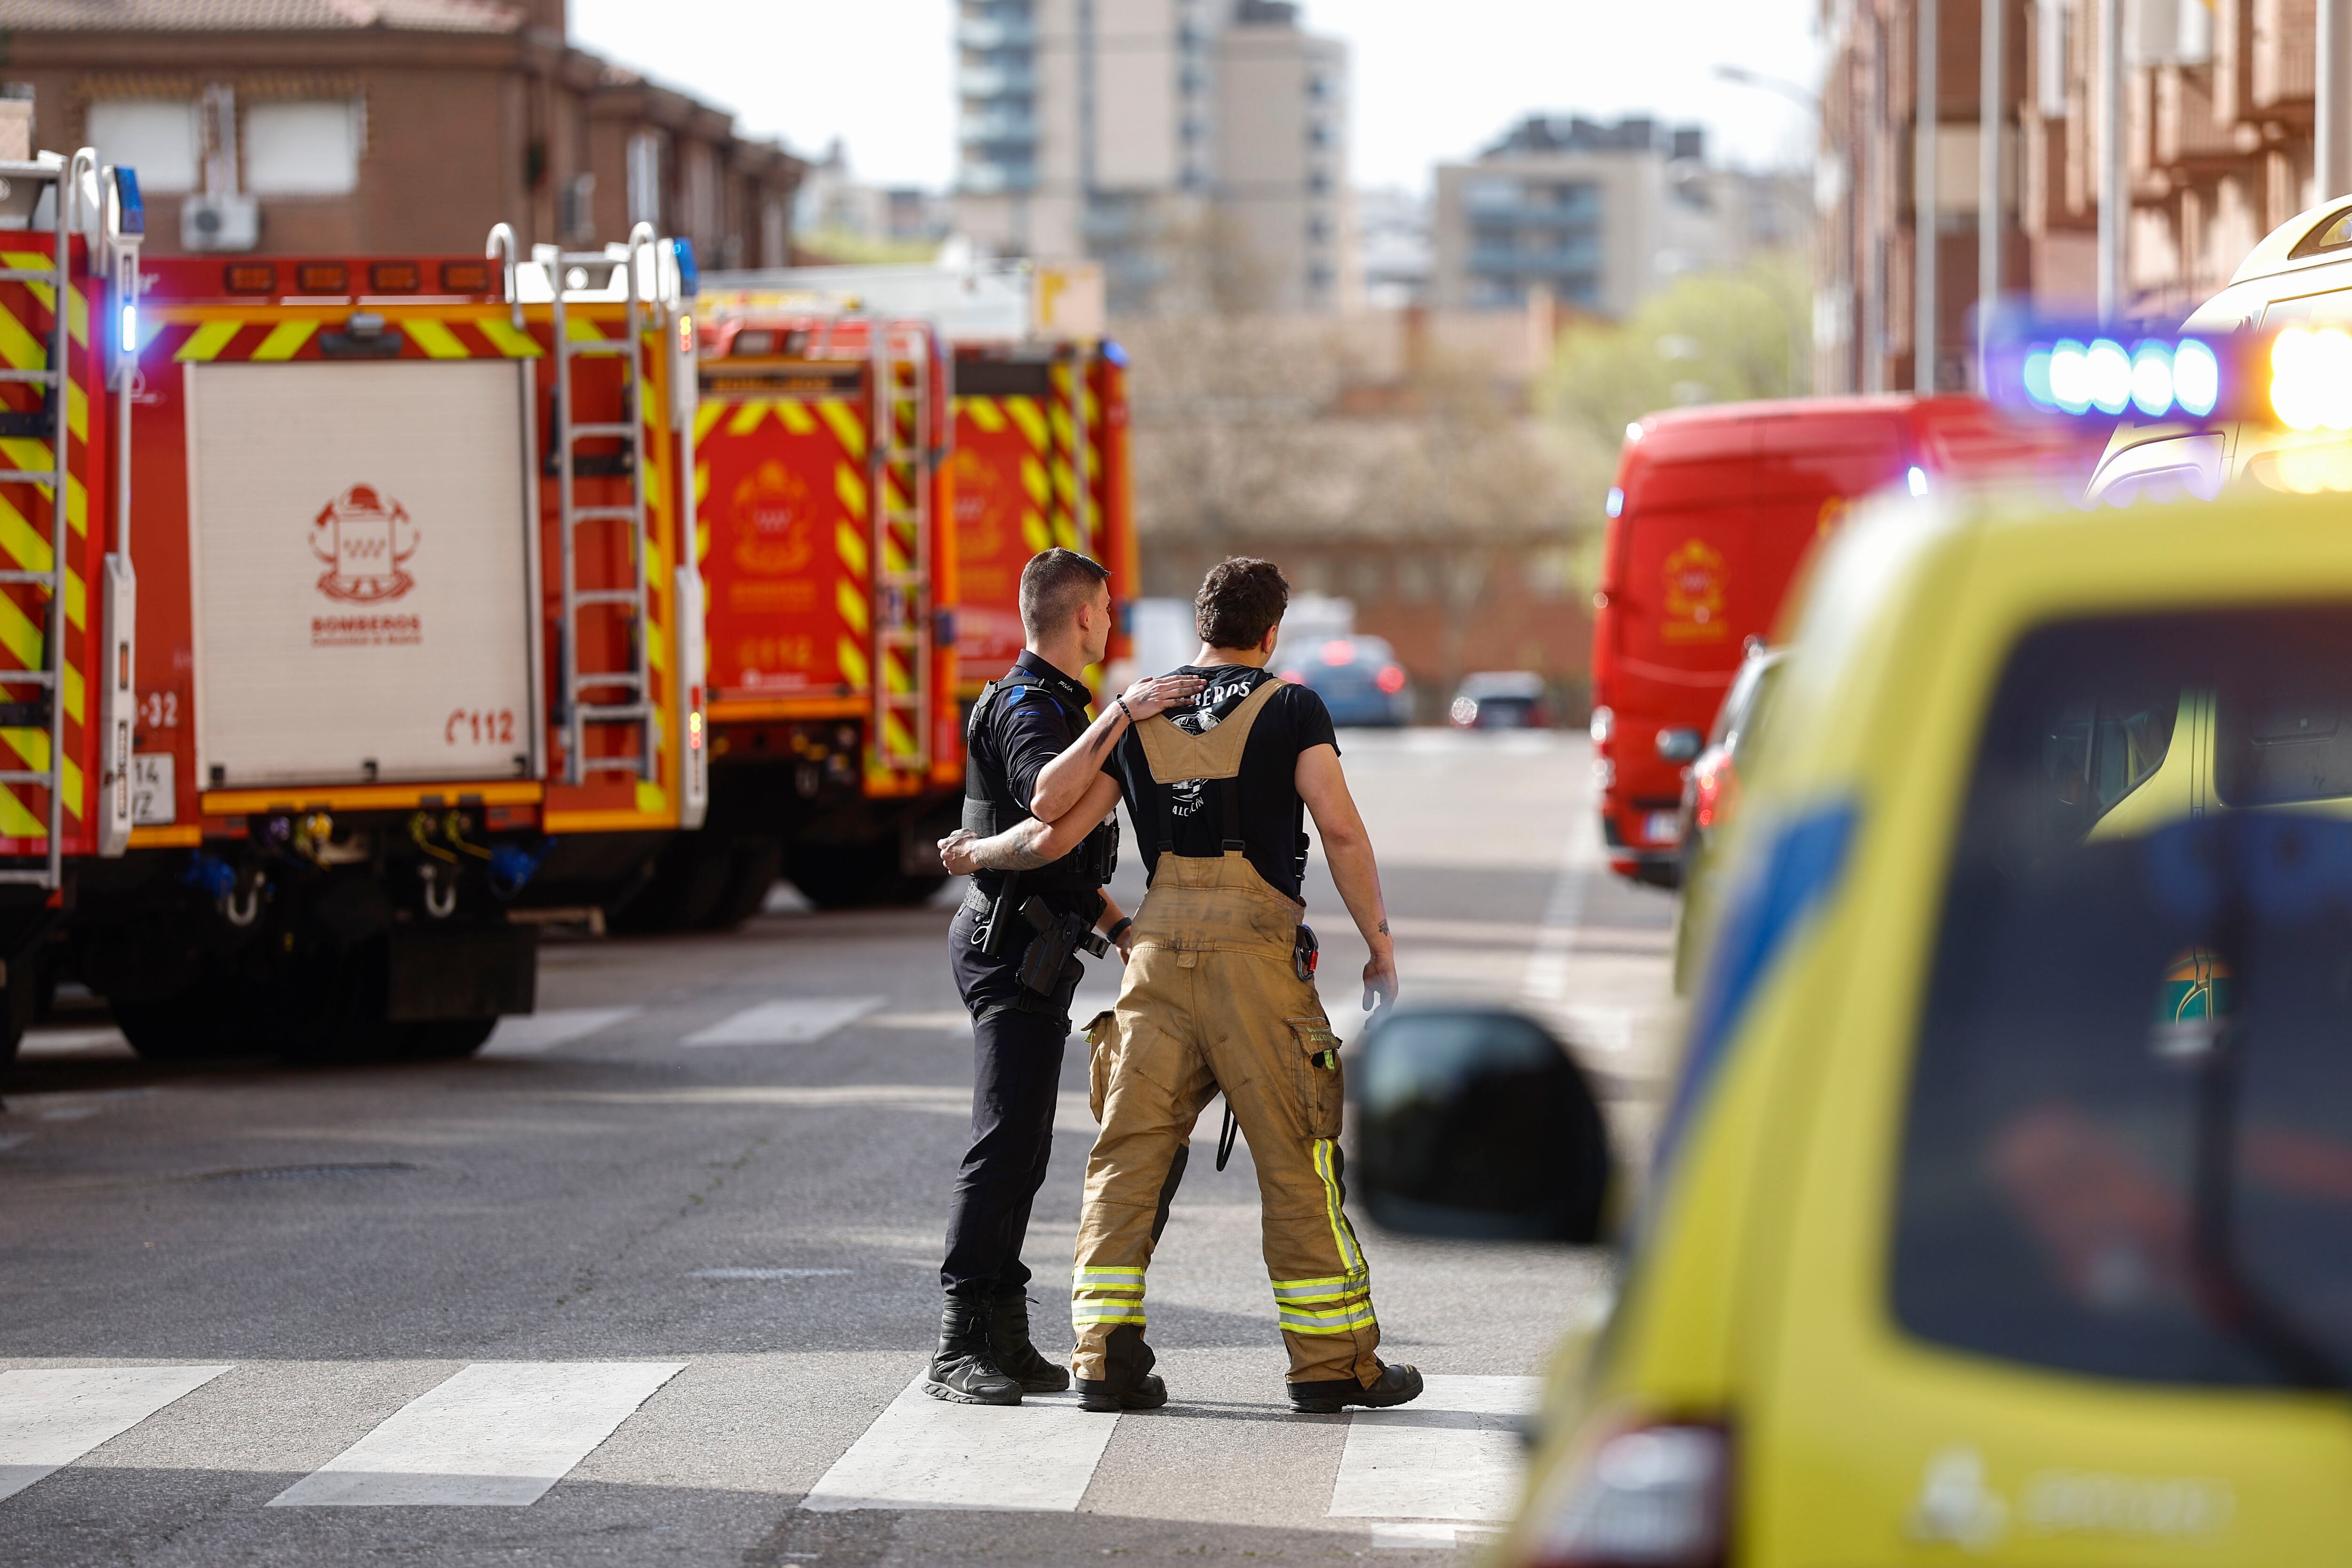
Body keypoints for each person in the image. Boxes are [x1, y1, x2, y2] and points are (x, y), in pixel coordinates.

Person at [938, 557, 1420, 1416]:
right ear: (1271, 633)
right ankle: (1331, 1364)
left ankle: (1102, 1359)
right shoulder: (1292, 706)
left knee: (1127, 1158)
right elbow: (1341, 831)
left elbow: (1050, 835)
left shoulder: (1143, 712)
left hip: (1155, 961)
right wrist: (1379, 947)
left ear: (1201, 622)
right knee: (1299, 1160)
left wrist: (978, 854)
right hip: (1255, 965)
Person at [927, 547, 1204, 1407]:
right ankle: (957, 1343)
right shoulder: (1024, 705)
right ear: (1081, 614)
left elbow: (1064, 861)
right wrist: (1121, 711)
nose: (1113, 621)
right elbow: (1047, 803)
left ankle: (1005, 1337)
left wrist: (1120, 928)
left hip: (1039, 943)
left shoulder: (1061, 706)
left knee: (1027, 1147)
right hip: (1004, 945)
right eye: (1108, 608)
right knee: (1003, 1141)